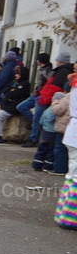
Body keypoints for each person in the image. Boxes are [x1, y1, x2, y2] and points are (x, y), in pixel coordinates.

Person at [0, 65, 30, 145]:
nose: (15, 75)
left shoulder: (25, 84)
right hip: (9, 104)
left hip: (14, 106)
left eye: (17, 73)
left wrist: (9, 95)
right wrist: (8, 94)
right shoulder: (16, 82)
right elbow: (8, 91)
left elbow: (15, 93)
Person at [54, 77, 77, 228]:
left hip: (72, 132)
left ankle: (65, 213)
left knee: (72, 175)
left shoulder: (74, 87)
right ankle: (70, 217)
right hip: (75, 134)